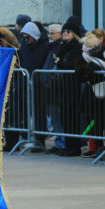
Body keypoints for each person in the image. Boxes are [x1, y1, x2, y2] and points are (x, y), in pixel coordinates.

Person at [75, 32, 105, 158]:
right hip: (91, 94)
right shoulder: (82, 56)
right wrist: (88, 70)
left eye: (95, 45)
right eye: (91, 46)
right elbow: (79, 74)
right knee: (95, 121)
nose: (93, 48)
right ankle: (97, 147)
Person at [20, 22, 49, 150]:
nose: (26, 40)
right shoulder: (25, 46)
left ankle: (40, 139)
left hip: (39, 83)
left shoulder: (44, 46)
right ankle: (31, 137)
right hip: (28, 82)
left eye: (28, 37)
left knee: (39, 112)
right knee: (29, 111)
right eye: (24, 38)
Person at [55, 22, 83, 156]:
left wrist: (61, 63)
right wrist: (60, 62)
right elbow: (58, 59)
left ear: (75, 34)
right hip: (63, 86)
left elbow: (73, 65)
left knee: (72, 117)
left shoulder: (78, 47)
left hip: (73, 86)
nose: (65, 33)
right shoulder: (63, 47)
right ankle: (67, 144)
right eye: (64, 31)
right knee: (64, 116)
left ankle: (75, 146)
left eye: (69, 31)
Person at [42, 24, 65, 153]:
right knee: (55, 118)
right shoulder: (50, 48)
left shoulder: (59, 48)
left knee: (58, 118)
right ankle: (59, 142)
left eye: (52, 33)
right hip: (50, 88)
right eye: (49, 33)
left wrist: (49, 79)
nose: (50, 36)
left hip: (57, 89)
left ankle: (62, 142)